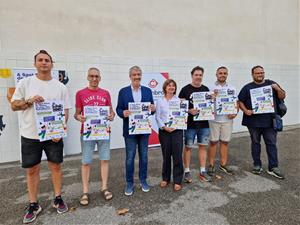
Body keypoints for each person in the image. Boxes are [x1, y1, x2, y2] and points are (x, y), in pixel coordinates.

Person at [11, 50, 70, 224]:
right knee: (32, 170)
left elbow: (65, 111)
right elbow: (14, 105)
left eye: (47, 60)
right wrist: (29, 101)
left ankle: (58, 198)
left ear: (52, 64)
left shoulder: (60, 87)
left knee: (56, 167)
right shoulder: (25, 83)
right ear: (35, 63)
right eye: (40, 60)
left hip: (53, 136)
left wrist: (59, 130)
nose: (44, 63)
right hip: (30, 134)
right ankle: (33, 204)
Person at [74, 67, 115, 205]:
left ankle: (104, 188)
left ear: (100, 78)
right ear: (87, 77)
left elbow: (111, 112)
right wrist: (79, 117)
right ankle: (85, 191)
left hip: (103, 132)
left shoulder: (106, 93)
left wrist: (111, 116)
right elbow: (76, 113)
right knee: (86, 162)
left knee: (105, 160)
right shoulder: (80, 93)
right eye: (91, 76)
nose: (94, 78)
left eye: (97, 76)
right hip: (87, 132)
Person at [238, 65, 286, 179]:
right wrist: (245, 110)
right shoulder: (247, 87)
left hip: (270, 121)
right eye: (257, 73)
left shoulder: (272, 84)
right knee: (255, 143)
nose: (260, 75)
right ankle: (257, 165)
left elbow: (283, 96)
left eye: (262, 73)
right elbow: (240, 101)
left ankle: (273, 167)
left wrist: (277, 89)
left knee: (271, 144)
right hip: (253, 122)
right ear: (252, 74)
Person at [116, 66, 155, 196]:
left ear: (141, 75)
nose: (137, 76)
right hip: (130, 130)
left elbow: (152, 109)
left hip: (144, 130)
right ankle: (129, 182)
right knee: (130, 158)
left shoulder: (148, 91)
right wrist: (123, 113)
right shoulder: (123, 92)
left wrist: (153, 108)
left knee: (144, 157)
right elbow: (118, 109)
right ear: (130, 76)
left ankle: (143, 180)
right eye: (134, 74)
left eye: (139, 74)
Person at [178, 66, 212, 183]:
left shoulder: (206, 89)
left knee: (203, 146)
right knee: (188, 147)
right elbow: (180, 106)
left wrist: (214, 99)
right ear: (192, 75)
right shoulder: (185, 90)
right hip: (190, 124)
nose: (198, 77)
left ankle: (202, 171)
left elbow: (209, 105)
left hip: (204, 124)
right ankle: (187, 171)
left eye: (200, 75)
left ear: (202, 76)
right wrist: (189, 111)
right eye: (196, 75)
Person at [207, 67, 238, 176]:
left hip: (227, 120)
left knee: (225, 142)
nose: (222, 75)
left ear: (227, 74)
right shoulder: (210, 87)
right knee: (213, 142)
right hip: (214, 119)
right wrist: (212, 97)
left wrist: (235, 113)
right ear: (216, 74)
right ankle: (211, 165)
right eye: (220, 73)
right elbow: (206, 103)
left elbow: (236, 103)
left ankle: (223, 165)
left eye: (225, 73)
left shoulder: (232, 88)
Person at [155, 79, 184, 191]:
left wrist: (176, 126)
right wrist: (164, 127)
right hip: (164, 131)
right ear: (165, 88)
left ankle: (177, 180)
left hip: (177, 130)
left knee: (177, 156)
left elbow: (181, 116)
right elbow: (157, 116)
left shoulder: (179, 101)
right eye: (169, 85)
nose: (171, 87)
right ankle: (165, 178)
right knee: (166, 156)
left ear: (175, 88)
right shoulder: (160, 101)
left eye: (173, 86)